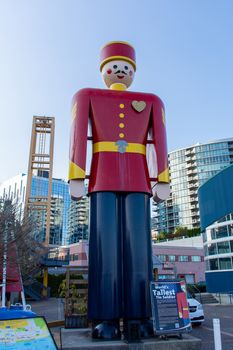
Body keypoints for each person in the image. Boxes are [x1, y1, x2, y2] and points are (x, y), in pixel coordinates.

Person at [69, 41, 170, 339]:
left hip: (139, 178)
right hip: (102, 175)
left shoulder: (152, 100)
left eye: (127, 68)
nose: (121, 72)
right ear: (104, 70)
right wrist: (77, 174)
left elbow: (159, 140)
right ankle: (107, 318)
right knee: (105, 248)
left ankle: (139, 315)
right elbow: (78, 136)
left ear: (134, 72)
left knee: (139, 247)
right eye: (115, 67)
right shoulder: (86, 95)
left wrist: (161, 178)